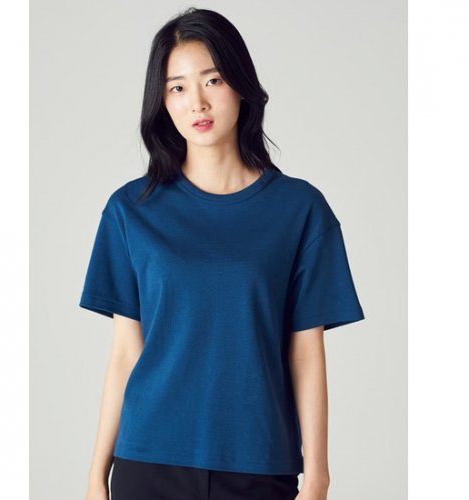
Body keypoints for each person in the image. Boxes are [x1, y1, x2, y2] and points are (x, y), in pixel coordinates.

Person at [79, 7, 365, 500]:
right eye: (178, 87)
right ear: (162, 101)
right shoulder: (131, 211)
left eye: (213, 80)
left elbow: (306, 352)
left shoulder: (300, 210)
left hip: (259, 464)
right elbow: (126, 351)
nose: (198, 102)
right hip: (148, 462)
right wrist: (94, 476)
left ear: (241, 85)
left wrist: (317, 476)